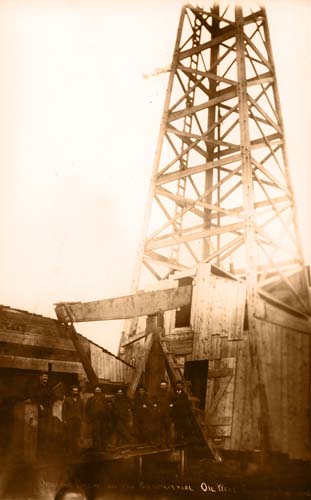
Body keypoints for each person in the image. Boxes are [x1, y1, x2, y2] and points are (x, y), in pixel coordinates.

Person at [25, 371, 53, 454]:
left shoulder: (48, 388)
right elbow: (33, 398)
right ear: (40, 377)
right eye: (44, 377)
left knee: (46, 432)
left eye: (46, 377)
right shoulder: (36, 387)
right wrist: (39, 404)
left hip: (47, 413)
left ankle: (44, 451)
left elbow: (51, 398)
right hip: (38, 413)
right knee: (38, 432)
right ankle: (37, 452)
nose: (45, 379)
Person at [85, 385, 109, 450]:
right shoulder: (90, 399)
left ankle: (104, 446)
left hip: (103, 419)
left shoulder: (104, 399)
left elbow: (107, 409)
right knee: (96, 433)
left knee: (103, 432)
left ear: (101, 391)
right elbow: (87, 409)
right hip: (95, 419)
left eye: (99, 390)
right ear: (94, 391)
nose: (97, 391)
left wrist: (106, 417)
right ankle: (96, 447)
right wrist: (88, 418)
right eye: (96, 390)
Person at [62, 385, 84, 455]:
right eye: (74, 391)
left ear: (78, 392)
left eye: (76, 391)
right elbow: (64, 410)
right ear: (71, 391)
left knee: (76, 435)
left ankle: (75, 450)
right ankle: (69, 451)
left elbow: (82, 410)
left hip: (78, 419)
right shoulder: (67, 399)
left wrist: (83, 419)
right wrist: (64, 419)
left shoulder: (80, 400)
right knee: (69, 435)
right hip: (70, 419)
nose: (75, 392)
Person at [156, 379, 173, 447]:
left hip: (167, 414)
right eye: (162, 385)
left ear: (166, 386)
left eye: (164, 385)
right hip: (160, 414)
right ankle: (160, 443)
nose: (163, 386)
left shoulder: (169, 394)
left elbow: (174, 400)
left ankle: (168, 443)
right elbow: (153, 401)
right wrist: (155, 405)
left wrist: (171, 405)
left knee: (167, 429)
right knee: (160, 428)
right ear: (160, 386)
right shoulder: (157, 394)